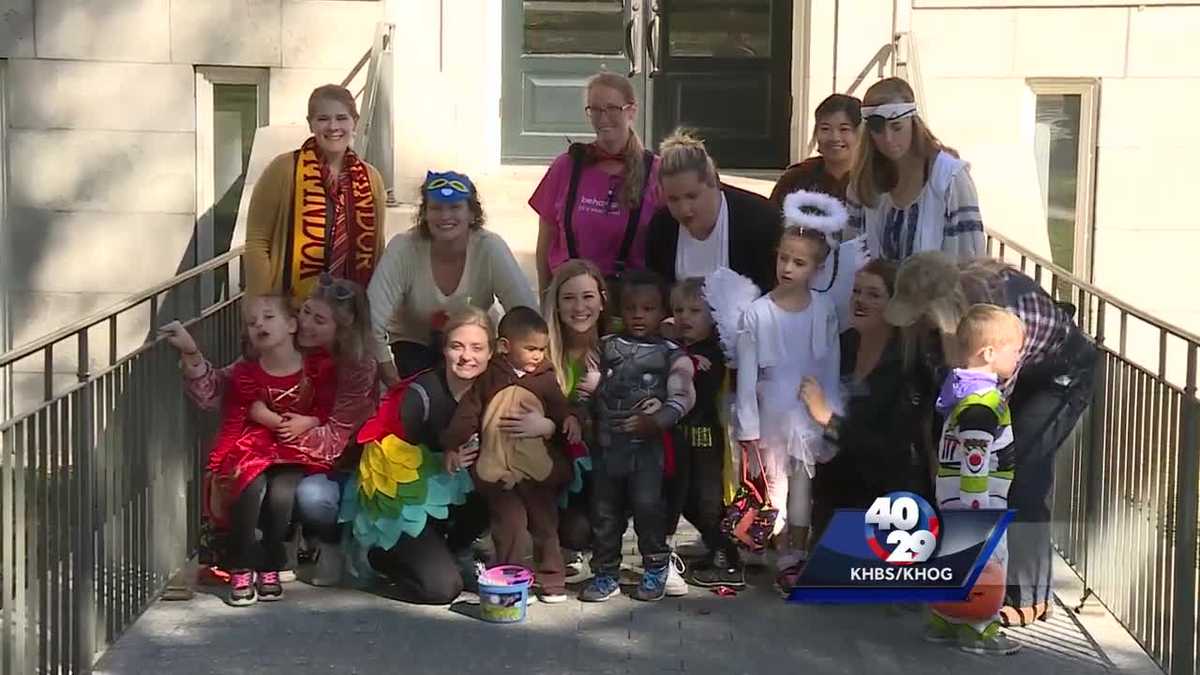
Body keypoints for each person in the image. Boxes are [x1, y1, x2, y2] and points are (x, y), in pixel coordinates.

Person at [885, 251, 1098, 626]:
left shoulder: (999, 321)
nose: (915, 326)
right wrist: (938, 459)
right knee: (949, 469)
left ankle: (1029, 593)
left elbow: (986, 410)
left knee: (1023, 474)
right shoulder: (948, 325)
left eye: (921, 317)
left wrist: (958, 465)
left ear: (941, 312)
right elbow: (942, 407)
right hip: (999, 372)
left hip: (1057, 375)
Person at [166, 276, 378, 587]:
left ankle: (328, 541)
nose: (305, 323)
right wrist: (192, 354)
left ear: (342, 329)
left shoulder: (358, 366)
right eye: (305, 312)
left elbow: (333, 443)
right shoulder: (278, 346)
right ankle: (256, 555)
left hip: (335, 464)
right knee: (251, 476)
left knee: (310, 495)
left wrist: (274, 421)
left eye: (319, 320)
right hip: (276, 452)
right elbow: (218, 392)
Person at [717, 195, 843, 595]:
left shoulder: (822, 309)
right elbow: (749, 372)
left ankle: (794, 557)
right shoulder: (758, 313)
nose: (788, 267)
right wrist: (748, 427)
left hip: (806, 413)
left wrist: (827, 410)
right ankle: (766, 544)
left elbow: (830, 364)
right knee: (771, 486)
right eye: (784, 258)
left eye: (799, 262)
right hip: (771, 409)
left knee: (803, 486)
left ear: (817, 269)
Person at [340, 307, 497, 605]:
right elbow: (389, 462)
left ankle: (459, 549)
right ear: (444, 348)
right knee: (441, 590)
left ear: (491, 352)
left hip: (453, 501)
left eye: (477, 348)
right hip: (405, 505)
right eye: (457, 346)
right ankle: (378, 555)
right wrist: (442, 462)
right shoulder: (421, 394)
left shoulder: (494, 390)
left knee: (495, 474)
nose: (467, 356)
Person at [441, 307, 579, 603]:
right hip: (499, 465)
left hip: (535, 467)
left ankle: (552, 580)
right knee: (510, 523)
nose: (537, 356)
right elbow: (470, 411)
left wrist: (566, 420)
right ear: (505, 346)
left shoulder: (545, 377)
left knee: (545, 523)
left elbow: (559, 405)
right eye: (530, 348)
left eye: (542, 349)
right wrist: (453, 443)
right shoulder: (490, 377)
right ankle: (513, 580)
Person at [580, 271, 696, 603]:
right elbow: (588, 384)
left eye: (648, 308)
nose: (638, 315)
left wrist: (658, 421)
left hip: (648, 450)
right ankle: (605, 572)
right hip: (607, 446)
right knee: (604, 512)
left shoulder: (673, 354)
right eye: (631, 308)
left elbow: (683, 395)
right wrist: (581, 411)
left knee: (648, 508)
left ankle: (656, 566)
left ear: (663, 313)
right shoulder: (605, 346)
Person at [800, 259, 934, 542]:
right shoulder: (844, 345)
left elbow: (891, 447)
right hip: (834, 489)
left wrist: (829, 420)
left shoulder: (908, 366)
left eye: (873, 294)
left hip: (885, 500)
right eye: (857, 292)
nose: (860, 300)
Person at [368, 171, 535, 383]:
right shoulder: (403, 247)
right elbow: (371, 320)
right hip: (415, 345)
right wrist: (394, 383)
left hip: (473, 348)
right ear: (425, 214)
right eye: (436, 208)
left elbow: (525, 315)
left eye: (455, 207)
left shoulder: (490, 247)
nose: (445, 216)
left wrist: (519, 373)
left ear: (472, 214)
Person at [925, 304, 1024, 656]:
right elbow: (976, 453)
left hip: (953, 494)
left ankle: (943, 620)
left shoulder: (960, 391)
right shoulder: (985, 401)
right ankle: (980, 628)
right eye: (1016, 350)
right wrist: (977, 503)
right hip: (978, 498)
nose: (1019, 357)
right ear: (989, 352)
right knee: (987, 563)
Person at [244, 85, 387, 301]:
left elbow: (377, 248)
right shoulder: (283, 169)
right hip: (291, 309)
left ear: (354, 122)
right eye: (323, 119)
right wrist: (263, 302)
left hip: (349, 313)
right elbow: (258, 242)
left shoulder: (371, 178)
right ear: (310, 124)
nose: (333, 127)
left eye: (341, 118)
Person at [529, 72, 662, 292]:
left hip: (628, 303)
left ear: (631, 112)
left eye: (611, 108)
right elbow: (545, 245)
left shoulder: (656, 171)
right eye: (595, 110)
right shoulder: (567, 166)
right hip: (571, 299)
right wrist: (546, 300)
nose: (602, 118)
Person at [848, 77, 984, 262]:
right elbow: (852, 251)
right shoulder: (864, 181)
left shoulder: (950, 179)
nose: (888, 139)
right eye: (878, 130)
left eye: (897, 127)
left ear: (912, 122)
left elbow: (969, 259)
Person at [665, 278, 744, 589]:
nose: (685, 317)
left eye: (695, 311)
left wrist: (686, 364)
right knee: (683, 501)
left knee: (707, 504)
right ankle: (716, 551)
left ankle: (728, 560)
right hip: (681, 442)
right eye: (679, 310)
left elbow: (703, 392)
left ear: (713, 317)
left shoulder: (712, 354)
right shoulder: (679, 349)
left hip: (705, 443)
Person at [645, 131, 781, 295]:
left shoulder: (760, 220)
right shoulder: (661, 227)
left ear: (714, 182)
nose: (684, 210)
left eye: (692, 196)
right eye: (673, 199)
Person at [770, 94, 862, 206]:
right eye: (825, 129)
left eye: (844, 129)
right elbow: (771, 218)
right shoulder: (797, 178)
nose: (834, 137)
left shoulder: (876, 179)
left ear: (861, 133)